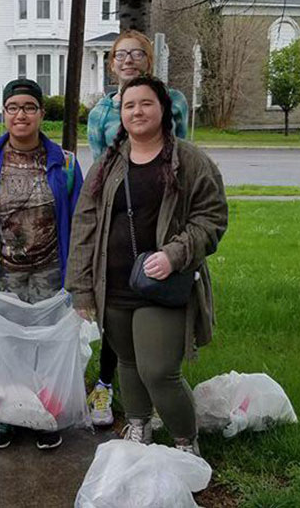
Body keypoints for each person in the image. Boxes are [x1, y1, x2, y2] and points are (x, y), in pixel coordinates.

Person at [66, 75, 227, 455]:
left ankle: (186, 440)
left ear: (163, 108)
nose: (137, 111)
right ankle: (139, 427)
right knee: (128, 362)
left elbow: (213, 216)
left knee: (158, 371)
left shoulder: (189, 160)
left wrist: (175, 254)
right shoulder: (108, 164)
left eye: (145, 103)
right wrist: (81, 287)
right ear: (120, 115)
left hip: (164, 287)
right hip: (115, 285)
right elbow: (84, 224)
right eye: (128, 105)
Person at [0, 79, 83, 450]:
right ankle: (8, 416)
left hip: (51, 272)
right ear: (3, 113)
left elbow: (81, 223)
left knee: (48, 349)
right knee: (8, 349)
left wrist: (78, 279)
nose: (21, 114)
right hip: (4, 275)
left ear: (41, 114)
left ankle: (46, 416)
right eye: (13, 107)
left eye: (29, 107)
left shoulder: (65, 163)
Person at [84, 29, 190, 428]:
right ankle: (105, 387)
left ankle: (161, 396)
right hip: (119, 226)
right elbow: (101, 175)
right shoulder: (101, 113)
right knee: (119, 321)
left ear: (149, 60)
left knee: (158, 318)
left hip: (160, 223)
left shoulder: (173, 101)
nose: (128, 60)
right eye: (120, 55)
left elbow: (181, 157)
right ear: (111, 63)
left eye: (137, 54)